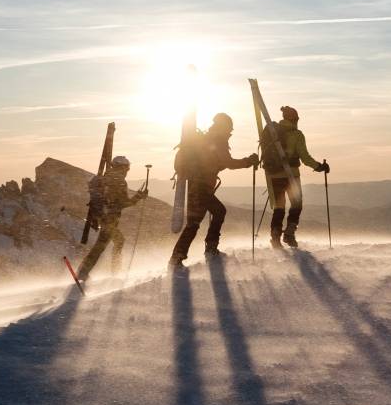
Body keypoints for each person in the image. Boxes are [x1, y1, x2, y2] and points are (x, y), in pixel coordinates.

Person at [168, 112, 258, 266]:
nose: (230, 132)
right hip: (201, 187)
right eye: (229, 128)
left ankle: (184, 255)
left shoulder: (206, 139)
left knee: (201, 220)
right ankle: (195, 252)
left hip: (196, 186)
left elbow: (215, 162)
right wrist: (249, 161)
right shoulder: (217, 140)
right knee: (207, 217)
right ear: (224, 127)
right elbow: (228, 162)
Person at [261, 104, 328, 248]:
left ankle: (275, 236)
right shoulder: (296, 134)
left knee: (279, 207)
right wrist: (319, 167)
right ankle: (289, 234)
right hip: (292, 176)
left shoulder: (273, 133)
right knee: (296, 205)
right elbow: (305, 157)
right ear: (294, 119)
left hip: (273, 175)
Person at [76, 156, 146, 281]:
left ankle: (86, 271)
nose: (127, 171)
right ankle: (90, 272)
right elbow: (124, 202)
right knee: (104, 245)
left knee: (114, 242)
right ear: (122, 167)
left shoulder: (105, 178)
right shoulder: (119, 181)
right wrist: (138, 197)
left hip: (103, 216)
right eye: (127, 168)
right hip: (110, 218)